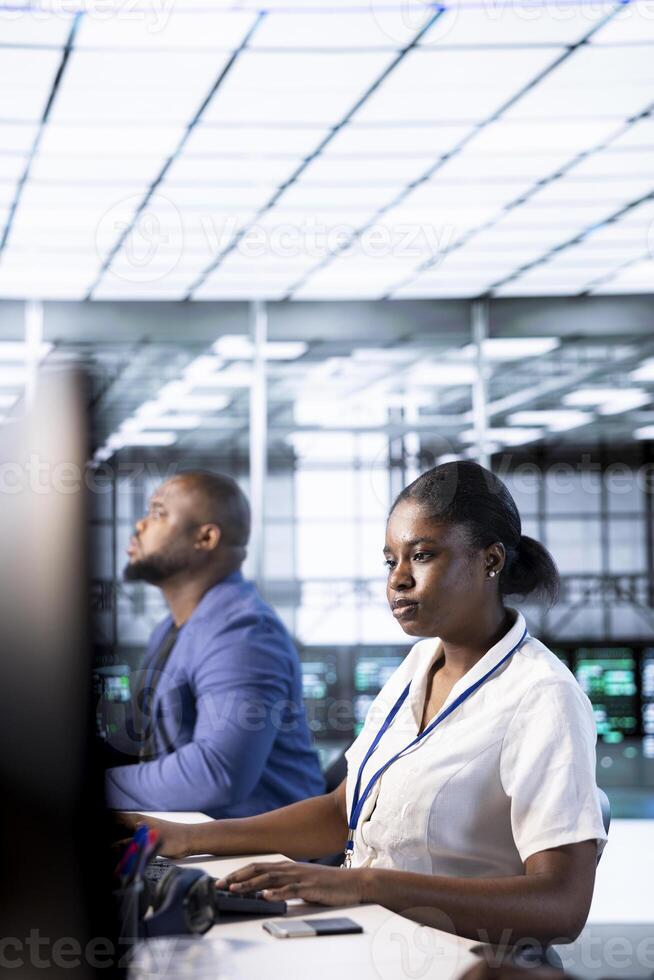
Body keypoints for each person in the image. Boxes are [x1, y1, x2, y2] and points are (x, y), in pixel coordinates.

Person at [119, 461, 607, 946]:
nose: (398, 580)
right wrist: (187, 838)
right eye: (390, 560)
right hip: (374, 935)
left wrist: (363, 885)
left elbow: (560, 907)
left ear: (491, 561)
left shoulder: (543, 696)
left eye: (422, 555)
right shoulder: (418, 666)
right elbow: (341, 813)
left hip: (462, 959)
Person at [105, 470, 324, 817]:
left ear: (205, 538)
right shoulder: (170, 629)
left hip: (270, 858)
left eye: (158, 513)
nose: (140, 525)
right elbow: (146, 743)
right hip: (201, 839)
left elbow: (216, 773)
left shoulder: (244, 632)